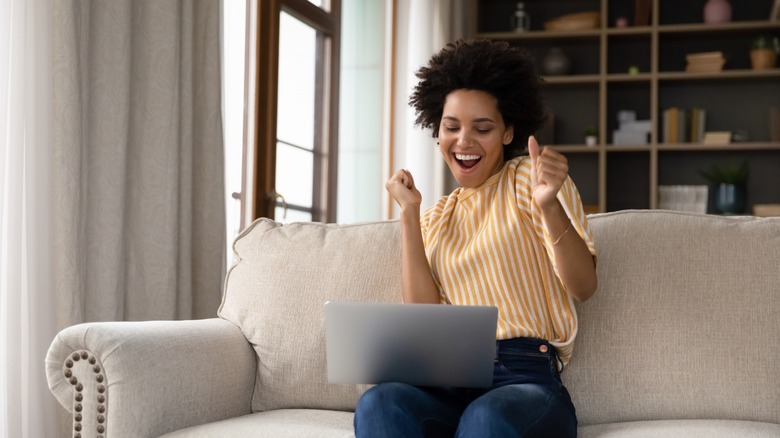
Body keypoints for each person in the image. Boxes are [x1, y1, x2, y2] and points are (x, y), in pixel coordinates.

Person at [353, 39, 598, 437]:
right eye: (452, 127)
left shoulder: (530, 181)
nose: (463, 141)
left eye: (482, 128)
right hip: (446, 378)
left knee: (485, 418)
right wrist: (410, 215)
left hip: (523, 379)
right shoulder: (436, 216)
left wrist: (550, 205)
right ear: (438, 132)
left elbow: (584, 287)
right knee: (380, 402)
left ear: (508, 132)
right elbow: (424, 318)